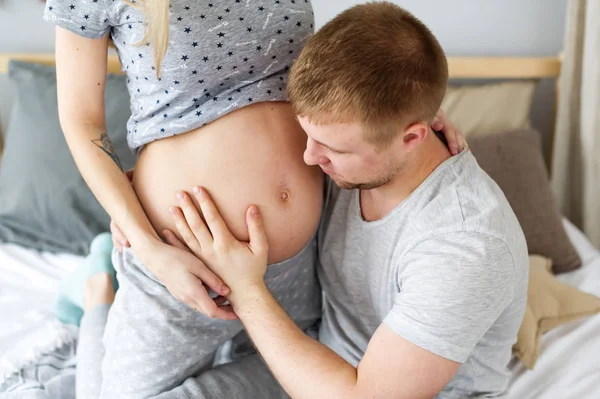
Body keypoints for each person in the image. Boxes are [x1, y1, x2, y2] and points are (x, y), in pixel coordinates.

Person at [44, 0, 467, 398]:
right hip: (182, 260)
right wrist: (149, 248)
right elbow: (81, 122)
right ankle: (98, 296)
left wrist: (407, 101)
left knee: (303, 378)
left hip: (299, 256)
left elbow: (340, 57)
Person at [166, 3, 529, 399]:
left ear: (412, 138)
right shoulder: (360, 145)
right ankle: (101, 288)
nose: (309, 157)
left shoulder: (465, 245)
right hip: (321, 357)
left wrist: (245, 288)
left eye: (332, 148)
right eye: (309, 135)